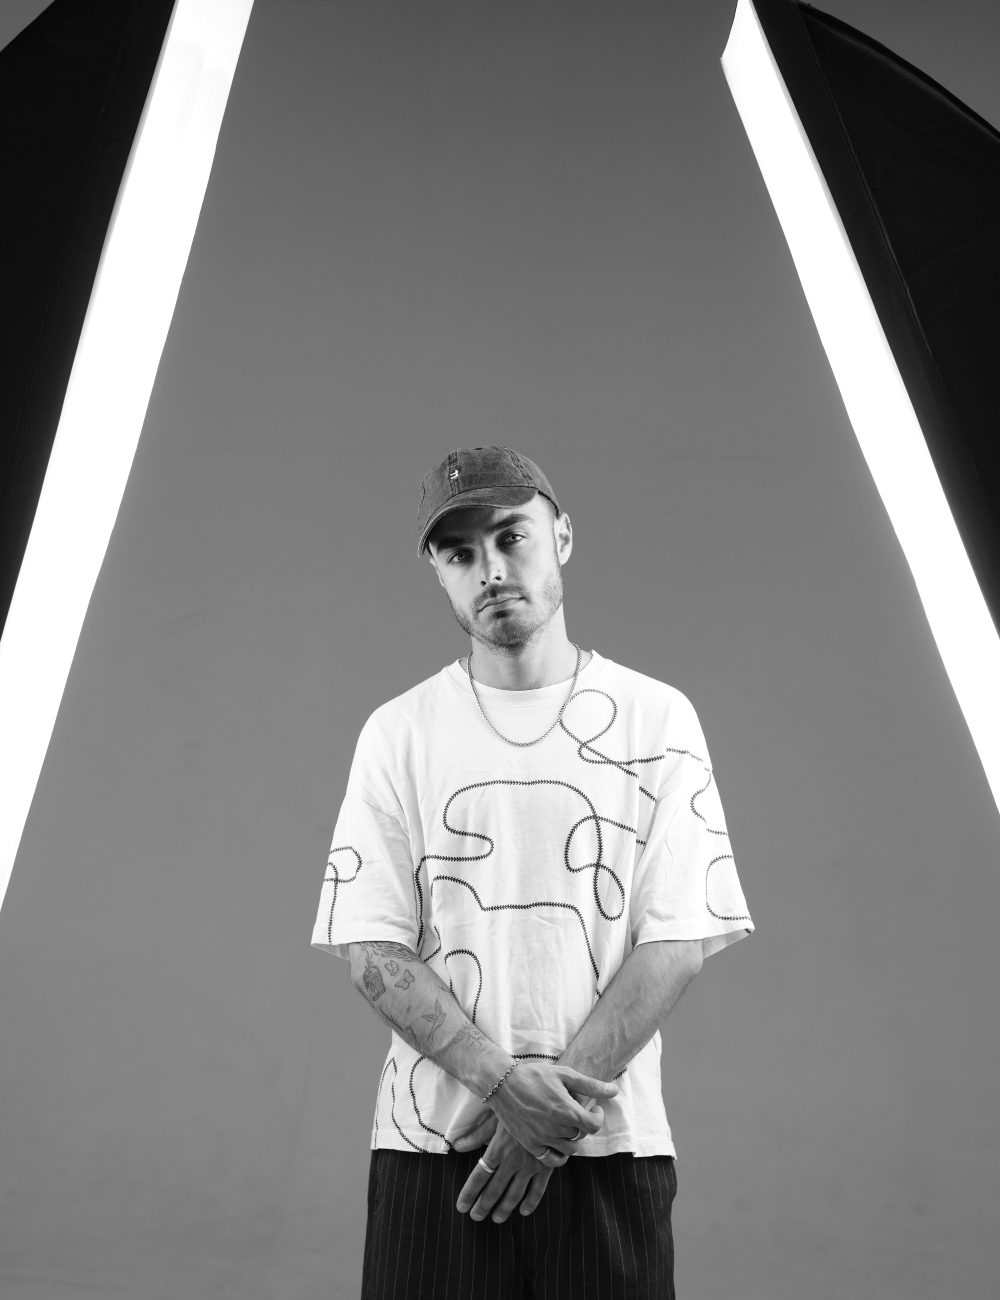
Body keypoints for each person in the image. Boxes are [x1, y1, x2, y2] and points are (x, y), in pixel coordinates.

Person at [311, 445, 754, 1299]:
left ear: (563, 537)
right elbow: (370, 946)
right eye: (460, 553)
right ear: (438, 572)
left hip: (608, 1147)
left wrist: (546, 1123)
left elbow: (677, 942)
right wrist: (505, 1086)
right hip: (434, 1148)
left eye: (511, 537)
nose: (491, 570)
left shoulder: (656, 719)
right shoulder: (398, 733)